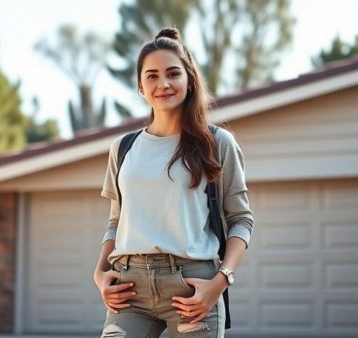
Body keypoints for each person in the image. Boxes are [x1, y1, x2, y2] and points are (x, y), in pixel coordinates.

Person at [93, 27, 254, 338]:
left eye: (172, 73)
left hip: (193, 285)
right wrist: (99, 273)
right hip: (129, 287)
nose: (162, 83)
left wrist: (220, 282)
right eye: (151, 76)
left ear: (189, 79)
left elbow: (241, 220)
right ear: (140, 86)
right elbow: (116, 221)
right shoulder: (123, 148)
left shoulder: (218, 142)